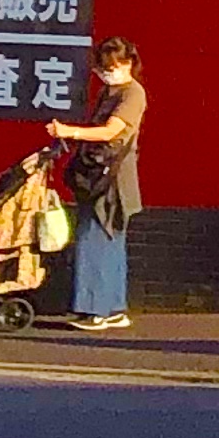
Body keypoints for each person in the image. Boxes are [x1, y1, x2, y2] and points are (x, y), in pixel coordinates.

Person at [47, 35, 147, 330]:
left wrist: (69, 132)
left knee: (94, 239)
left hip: (111, 180)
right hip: (105, 177)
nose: (105, 73)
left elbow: (110, 131)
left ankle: (94, 310)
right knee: (110, 241)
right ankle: (114, 308)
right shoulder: (109, 92)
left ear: (128, 64)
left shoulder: (132, 94)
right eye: (101, 69)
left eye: (111, 67)